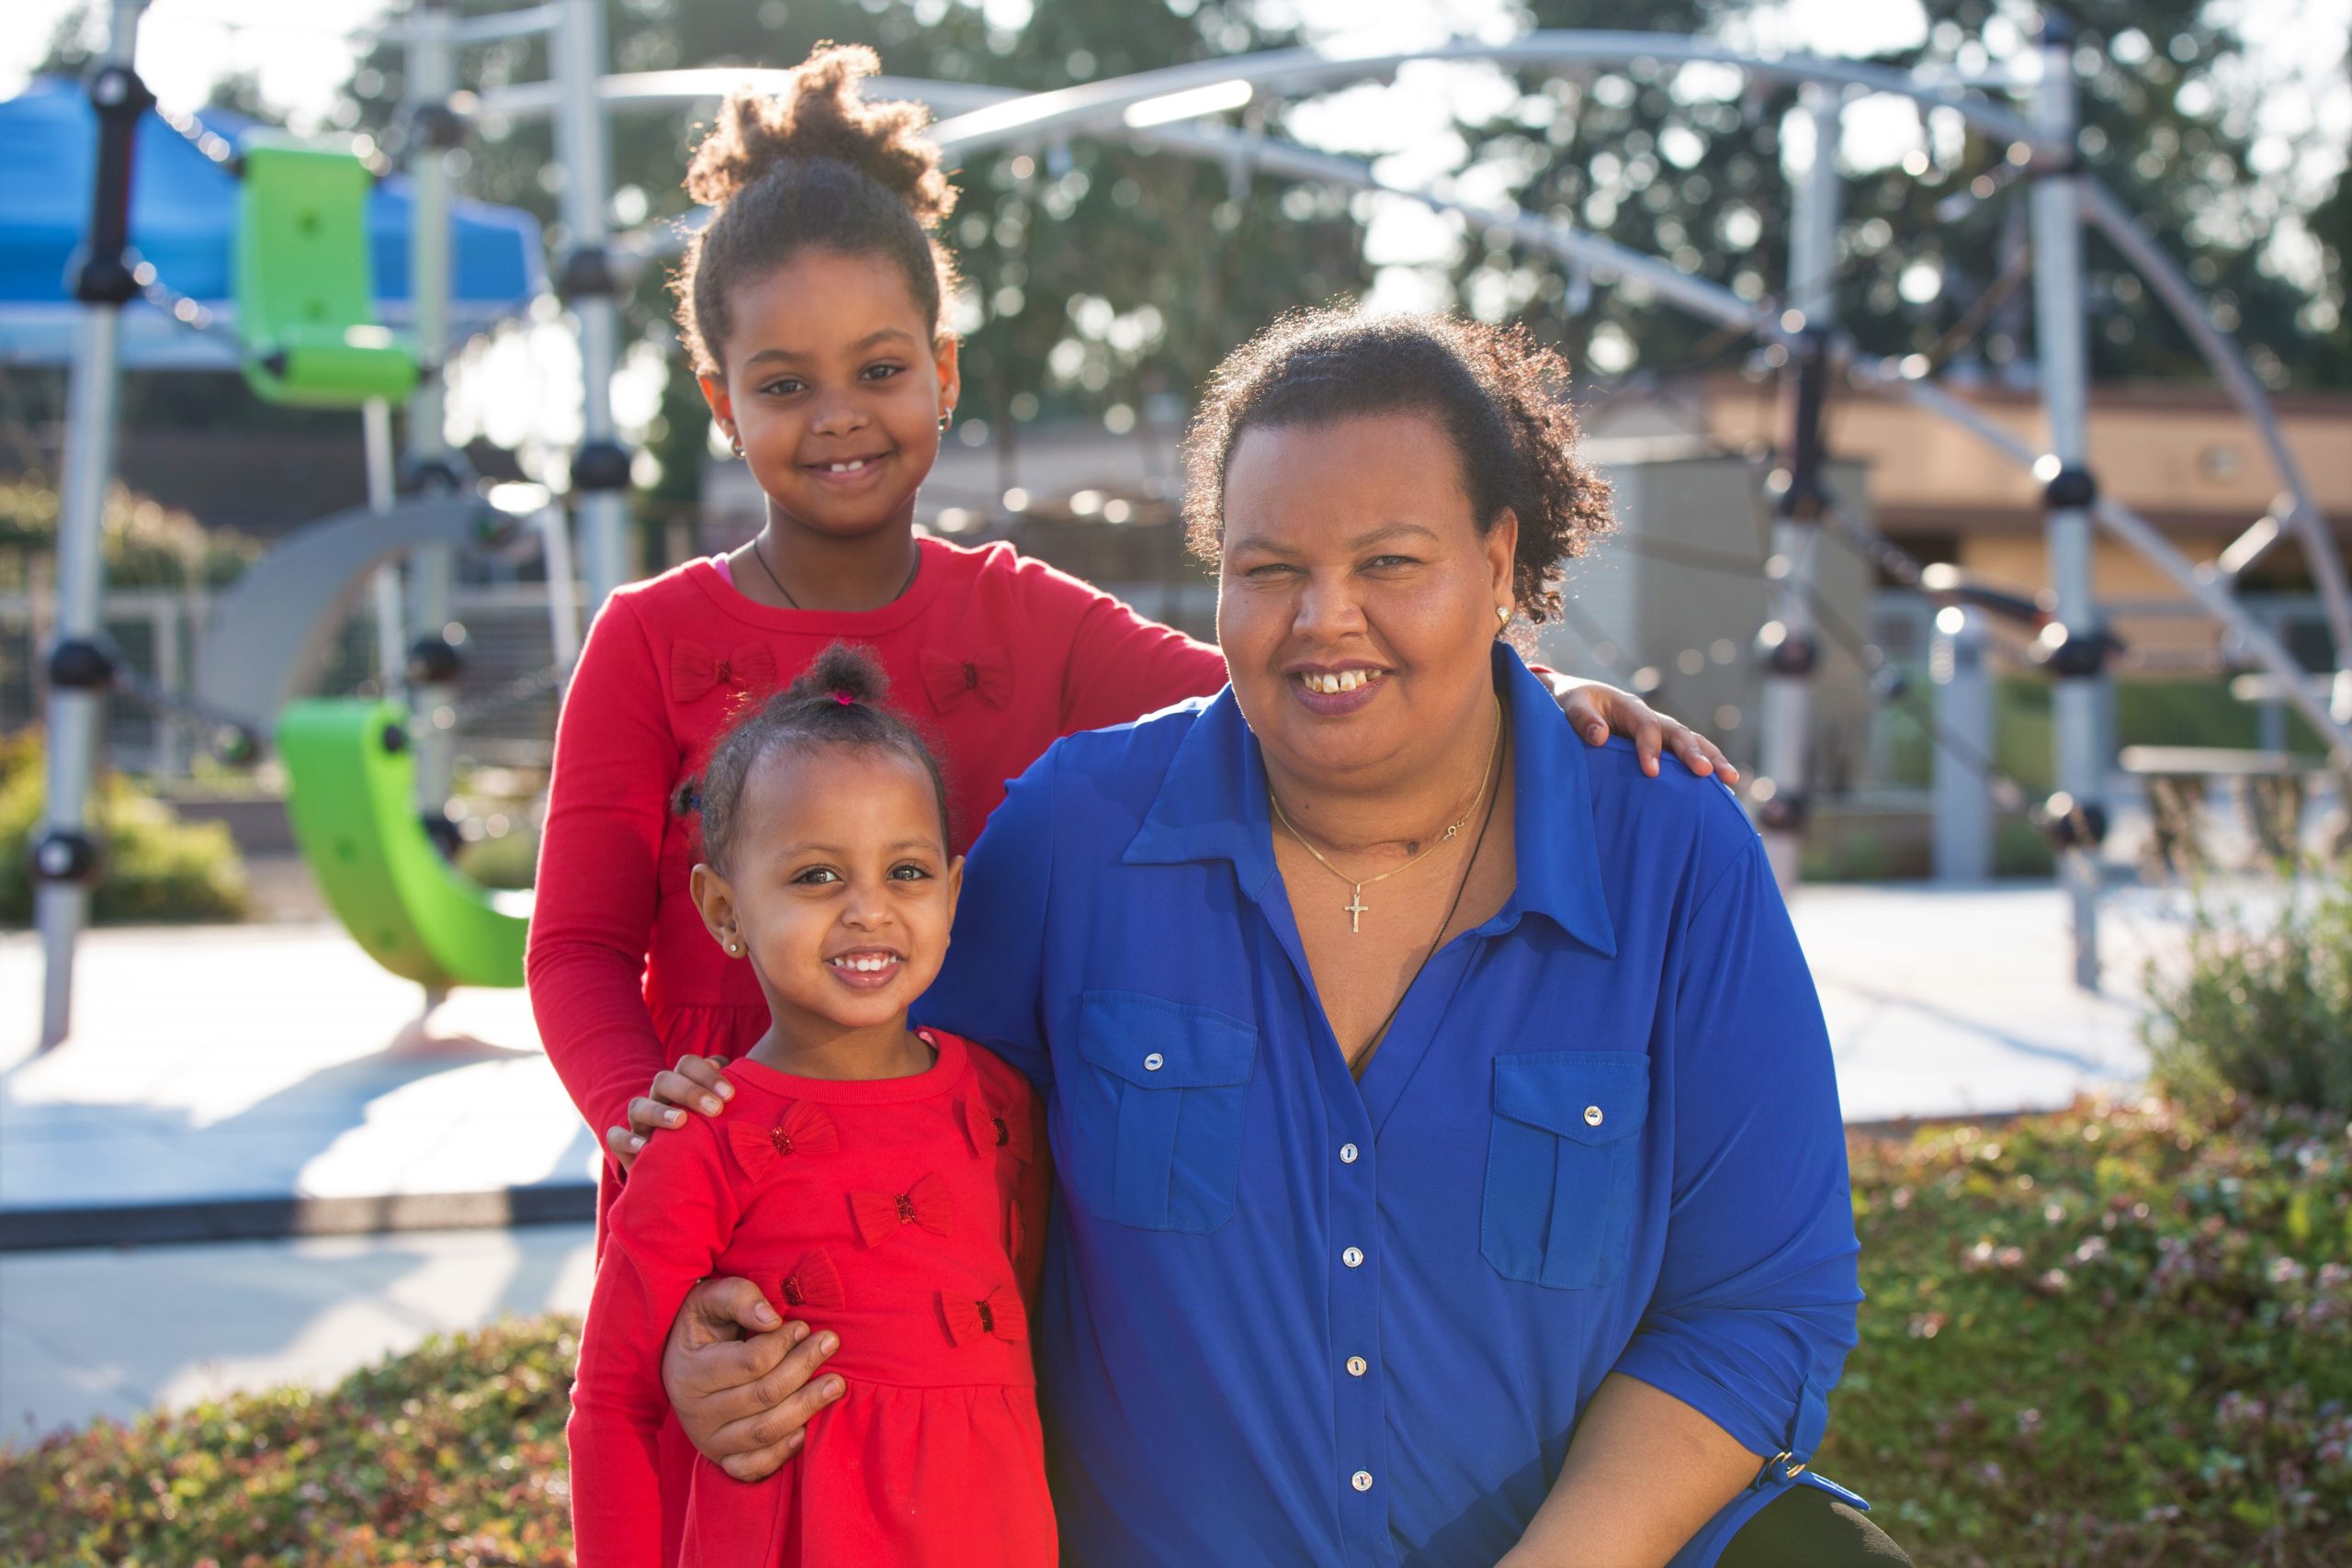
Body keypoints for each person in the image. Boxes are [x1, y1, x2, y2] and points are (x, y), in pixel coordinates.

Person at [528, 45, 1735, 1553]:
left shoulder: (1029, 623)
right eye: (784, 383)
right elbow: (573, 947)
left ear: (946, 371)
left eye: (880, 369)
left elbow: (1307, 672)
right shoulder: (647, 638)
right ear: (720, 398)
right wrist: (660, 1126)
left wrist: (1523, 687)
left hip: (943, 1198)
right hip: (728, 1206)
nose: (838, 414)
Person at [659, 309, 1912, 1568]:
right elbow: (871, 1127)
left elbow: (1757, 1302)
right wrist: (706, 1332)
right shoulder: (1074, 837)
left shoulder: (1669, 851)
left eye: (1390, 563)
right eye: (1268, 569)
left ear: (1498, 560)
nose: (1325, 619)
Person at [567, 644, 1055, 1568]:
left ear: (953, 895)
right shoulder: (701, 1135)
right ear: (723, 908)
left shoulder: (1000, 1103)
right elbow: (611, 1409)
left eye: (905, 873)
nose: (869, 910)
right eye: (816, 877)